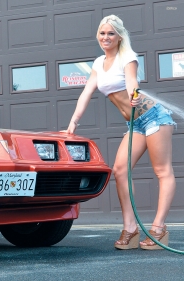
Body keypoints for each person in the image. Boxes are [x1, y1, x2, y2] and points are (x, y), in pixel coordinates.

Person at [63, 15, 176, 250]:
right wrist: (74, 121)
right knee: (120, 170)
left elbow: (132, 83)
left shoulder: (128, 58)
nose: (106, 37)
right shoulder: (97, 63)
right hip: (134, 125)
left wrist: (134, 95)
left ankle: (158, 228)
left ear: (119, 36)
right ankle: (131, 228)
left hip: (154, 117)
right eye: (103, 33)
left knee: (162, 171)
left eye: (111, 33)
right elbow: (86, 92)